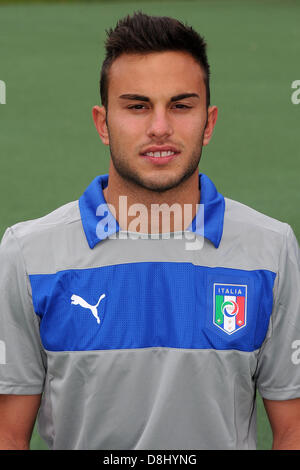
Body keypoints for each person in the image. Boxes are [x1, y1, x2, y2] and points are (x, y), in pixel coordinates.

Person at [0, 12, 300, 451]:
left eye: (180, 105)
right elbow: (8, 433)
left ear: (209, 122)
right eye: (137, 106)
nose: (160, 127)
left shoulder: (271, 249)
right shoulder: (28, 255)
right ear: (103, 123)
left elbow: (292, 429)